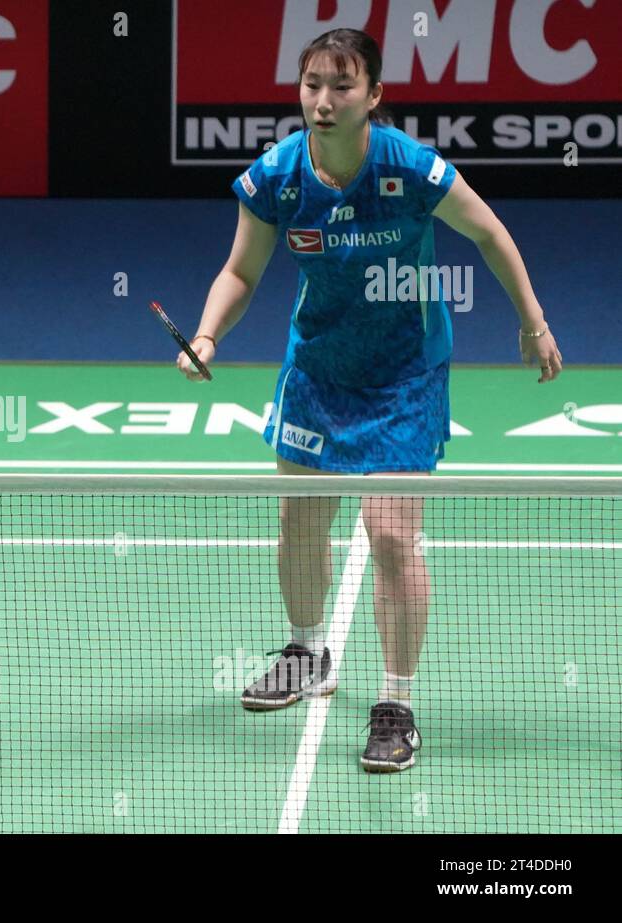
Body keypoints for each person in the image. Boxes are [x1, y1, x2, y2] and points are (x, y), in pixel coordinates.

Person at [176, 29, 562, 772]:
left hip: (404, 373)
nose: (323, 100)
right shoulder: (277, 177)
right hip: (318, 370)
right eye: (312, 84)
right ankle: (306, 650)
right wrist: (208, 335)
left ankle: (396, 701)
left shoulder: (411, 169)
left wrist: (532, 322)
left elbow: (489, 232)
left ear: (373, 96)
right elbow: (240, 271)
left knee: (390, 535)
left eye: (341, 87)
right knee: (298, 523)